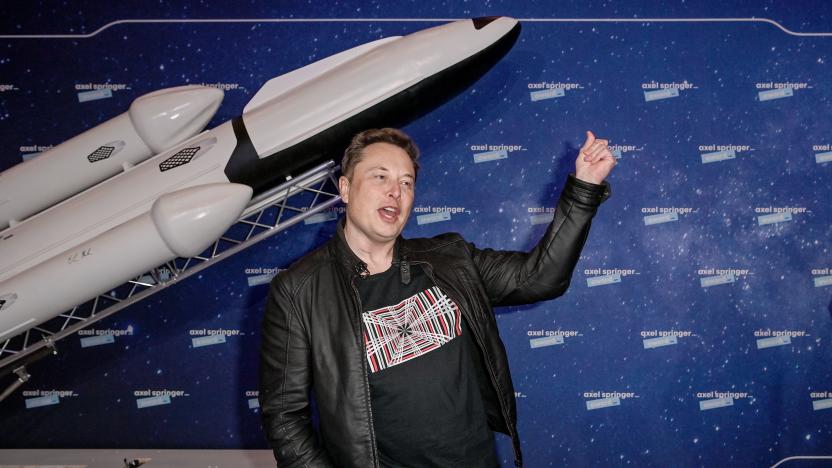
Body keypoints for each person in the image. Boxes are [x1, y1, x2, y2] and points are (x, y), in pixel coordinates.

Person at [259, 127, 616, 468]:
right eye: (380, 177)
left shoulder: (451, 260)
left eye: (406, 182)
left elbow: (541, 278)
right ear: (347, 188)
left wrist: (584, 187)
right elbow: (286, 418)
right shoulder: (299, 290)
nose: (395, 192)